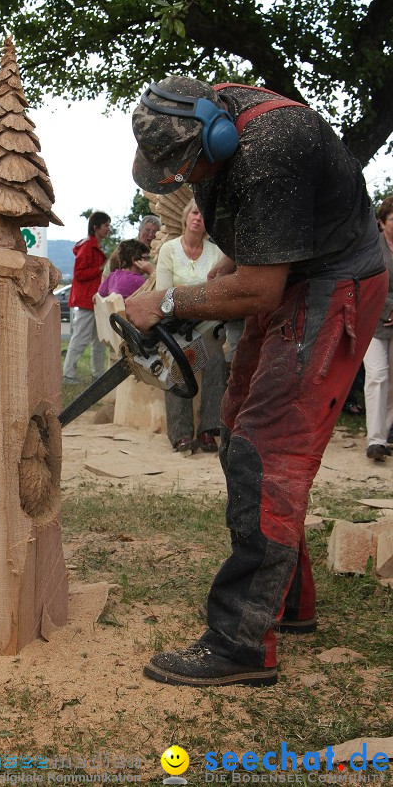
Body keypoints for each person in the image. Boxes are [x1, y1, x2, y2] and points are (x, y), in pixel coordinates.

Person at [125, 76, 387, 688]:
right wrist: (222, 273)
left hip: (336, 283)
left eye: (189, 172)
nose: (187, 185)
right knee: (239, 422)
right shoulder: (210, 113)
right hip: (295, 275)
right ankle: (287, 597)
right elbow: (253, 257)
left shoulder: (272, 148)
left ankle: (241, 641)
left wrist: (167, 304)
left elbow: (262, 289)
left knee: (267, 449)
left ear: (213, 137)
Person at [156, 198, 226, 453]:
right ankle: (181, 433)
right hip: (175, 322)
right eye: (195, 212)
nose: (198, 217)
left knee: (216, 358)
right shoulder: (169, 250)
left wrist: (186, 293)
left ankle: (208, 429)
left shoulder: (216, 252)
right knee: (177, 359)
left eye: (203, 214)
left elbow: (218, 293)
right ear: (186, 217)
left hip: (208, 322)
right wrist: (198, 294)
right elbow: (164, 292)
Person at [62, 211, 111, 384]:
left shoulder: (94, 246)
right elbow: (79, 274)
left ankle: (98, 376)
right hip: (86, 302)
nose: (108, 229)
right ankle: (68, 375)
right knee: (80, 339)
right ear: (96, 227)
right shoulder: (87, 247)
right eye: (106, 225)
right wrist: (99, 269)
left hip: (95, 301)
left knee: (99, 341)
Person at [363, 197, 393, 461]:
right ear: (382, 222)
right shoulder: (372, 247)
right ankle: (375, 440)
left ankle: (384, 435)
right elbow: (366, 283)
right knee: (377, 376)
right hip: (373, 322)